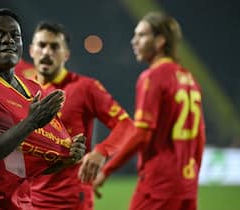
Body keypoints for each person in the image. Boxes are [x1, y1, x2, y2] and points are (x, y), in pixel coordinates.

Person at [0, 8, 86, 210]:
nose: (9, 40)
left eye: (15, 35)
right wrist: (30, 123)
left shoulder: (33, 89)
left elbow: (33, 164)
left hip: (20, 204)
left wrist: (69, 156)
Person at [79, 12, 206, 210]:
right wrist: (191, 178)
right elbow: (199, 136)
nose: (133, 41)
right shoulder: (189, 79)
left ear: (160, 41)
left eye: (141, 35)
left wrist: (107, 170)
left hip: (159, 184)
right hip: (186, 186)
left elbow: (142, 134)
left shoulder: (152, 77)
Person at [28, 21, 133, 210]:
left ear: (66, 54)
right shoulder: (21, 91)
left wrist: (102, 151)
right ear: (31, 50)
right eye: (41, 45)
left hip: (69, 200)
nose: (46, 52)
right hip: (25, 200)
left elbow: (126, 125)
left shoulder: (85, 88)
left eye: (54, 47)